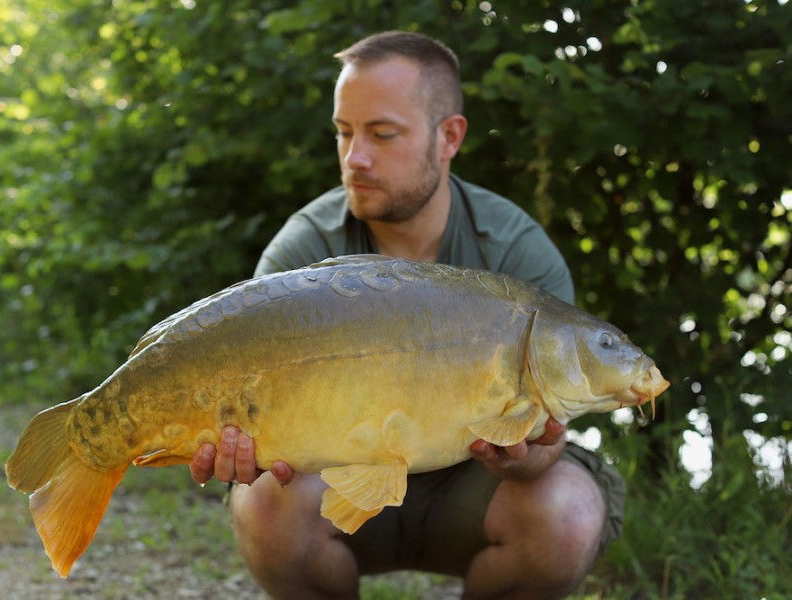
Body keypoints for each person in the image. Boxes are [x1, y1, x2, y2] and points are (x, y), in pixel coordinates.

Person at [190, 31, 625, 600]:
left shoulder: (515, 252)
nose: (355, 158)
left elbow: (544, 451)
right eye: (344, 133)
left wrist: (523, 453)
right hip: (338, 484)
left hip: (474, 491)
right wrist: (236, 447)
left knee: (567, 512)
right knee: (263, 505)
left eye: (382, 134)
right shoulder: (302, 253)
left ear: (449, 137)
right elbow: (244, 409)